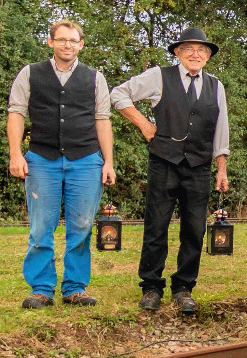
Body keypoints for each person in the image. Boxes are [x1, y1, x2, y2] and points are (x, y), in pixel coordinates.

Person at [111, 26, 230, 314]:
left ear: (208, 56)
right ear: (178, 52)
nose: (195, 54)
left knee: (194, 230)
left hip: (198, 166)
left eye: (201, 50)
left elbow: (221, 129)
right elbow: (118, 94)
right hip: (164, 162)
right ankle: (151, 287)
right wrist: (143, 124)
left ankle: (184, 287)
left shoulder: (216, 86)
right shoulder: (158, 76)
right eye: (189, 49)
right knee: (156, 226)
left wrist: (221, 169)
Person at [8, 20, 116, 309]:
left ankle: (75, 288)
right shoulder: (30, 73)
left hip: (86, 159)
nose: (67, 44)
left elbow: (102, 120)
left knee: (81, 226)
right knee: (41, 227)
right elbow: (16, 113)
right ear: (50, 42)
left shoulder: (95, 78)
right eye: (61, 39)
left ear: (81, 44)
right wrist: (16, 154)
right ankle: (41, 289)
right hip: (42, 158)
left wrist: (108, 162)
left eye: (73, 40)